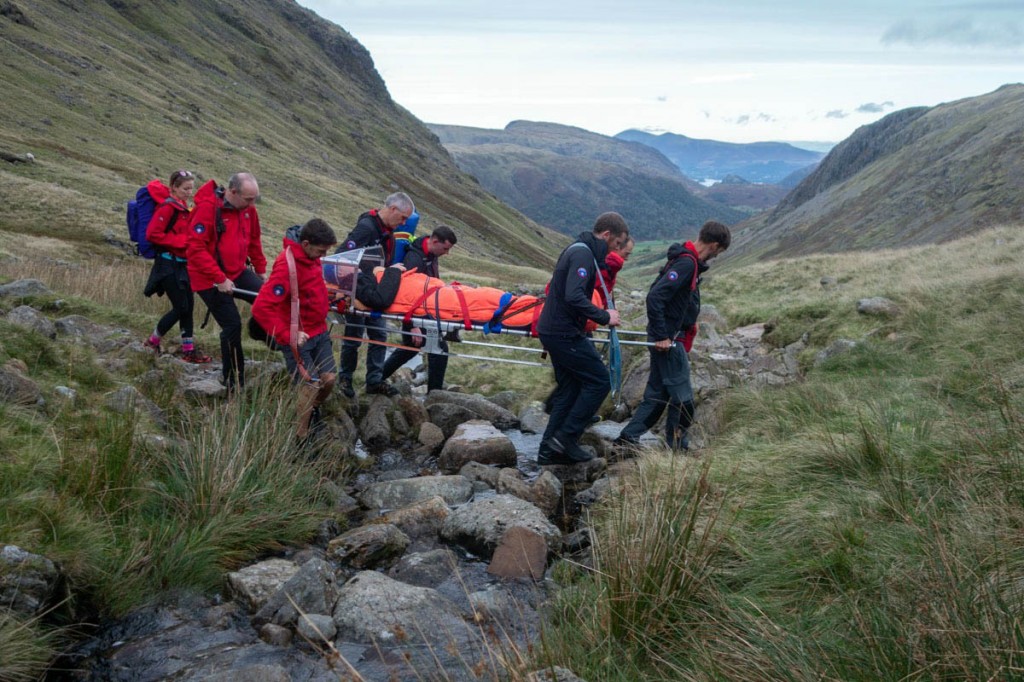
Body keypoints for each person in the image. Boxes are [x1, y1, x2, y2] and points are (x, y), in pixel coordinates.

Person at [614, 220, 731, 453]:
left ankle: (627, 438)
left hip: (669, 338)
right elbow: (655, 297)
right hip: (668, 341)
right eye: (718, 252)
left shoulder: (686, 260)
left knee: (657, 395)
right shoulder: (687, 263)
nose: (716, 257)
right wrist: (662, 335)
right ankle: (677, 445)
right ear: (715, 245)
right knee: (683, 398)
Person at [537, 212, 629, 466]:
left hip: (556, 329)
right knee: (599, 381)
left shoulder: (581, 250)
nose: (616, 250)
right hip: (563, 332)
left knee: (569, 389)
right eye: (617, 244)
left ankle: (547, 452)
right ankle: (566, 438)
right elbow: (574, 295)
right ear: (607, 235)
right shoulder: (583, 254)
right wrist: (604, 316)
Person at [251, 219, 339, 442]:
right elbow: (261, 307)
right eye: (320, 251)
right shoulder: (286, 267)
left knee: (328, 380)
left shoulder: (313, 259)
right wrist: (288, 335)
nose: (322, 256)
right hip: (296, 338)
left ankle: (312, 408)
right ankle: (301, 436)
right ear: (306, 243)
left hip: (318, 332)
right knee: (309, 385)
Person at [186, 172, 267, 392]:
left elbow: (253, 240)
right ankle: (233, 379)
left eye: (254, 199)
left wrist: (260, 269)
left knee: (269, 301)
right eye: (248, 199)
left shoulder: (248, 211)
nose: (252, 204)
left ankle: (270, 340)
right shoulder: (207, 209)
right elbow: (195, 249)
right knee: (231, 325)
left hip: (238, 271)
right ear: (232, 192)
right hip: (208, 279)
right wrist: (219, 278)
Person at [335, 191, 415, 398]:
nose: (404, 223)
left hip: (376, 294)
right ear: (393, 209)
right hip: (359, 293)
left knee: (379, 335)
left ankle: (374, 381)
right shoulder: (367, 228)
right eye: (403, 217)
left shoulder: (387, 233)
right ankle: (345, 380)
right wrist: (355, 283)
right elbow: (342, 255)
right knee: (353, 338)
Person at [142, 170, 211, 363]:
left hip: (182, 265)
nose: (189, 192)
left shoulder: (182, 206)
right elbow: (153, 234)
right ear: (173, 186)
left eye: (191, 188)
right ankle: (152, 341)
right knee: (181, 307)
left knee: (188, 307)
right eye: (185, 188)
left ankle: (188, 350)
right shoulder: (167, 208)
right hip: (167, 264)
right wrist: (182, 242)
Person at [379, 224, 458, 392]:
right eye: (445, 248)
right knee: (438, 349)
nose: (447, 253)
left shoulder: (430, 255)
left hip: (424, 312)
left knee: (411, 349)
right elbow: (406, 292)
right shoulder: (415, 258)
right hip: (415, 315)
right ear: (435, 241)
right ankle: (435, 394)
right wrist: (411, 325)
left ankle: (375, 378)